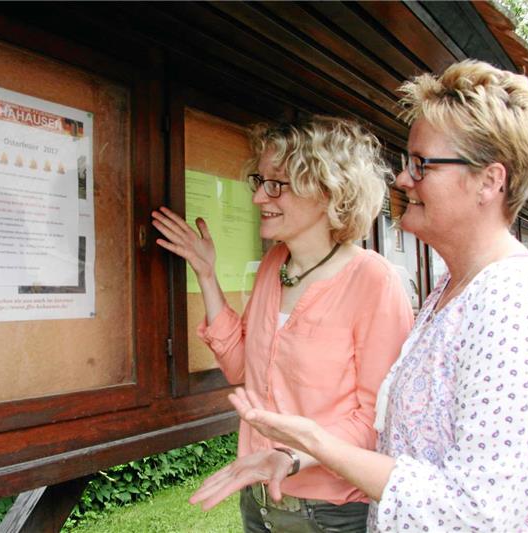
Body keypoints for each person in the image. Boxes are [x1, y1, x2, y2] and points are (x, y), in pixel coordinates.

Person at [191, 60, 528, 532]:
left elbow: (475, 513)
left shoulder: (521, 305)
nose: (402, 179)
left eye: (421, 165)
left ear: (489, 182)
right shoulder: (451, 292)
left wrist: (310, 446)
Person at [152, 116, 413, 532]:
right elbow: (243, 370)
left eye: (278, 184)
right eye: (260, 180)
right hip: (257, 498)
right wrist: (206, 273)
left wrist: (291, 457)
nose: (258, 197)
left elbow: (376, 420)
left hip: (329, 512)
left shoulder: (373, 281)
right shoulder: (275, 267)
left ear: (329, 190)